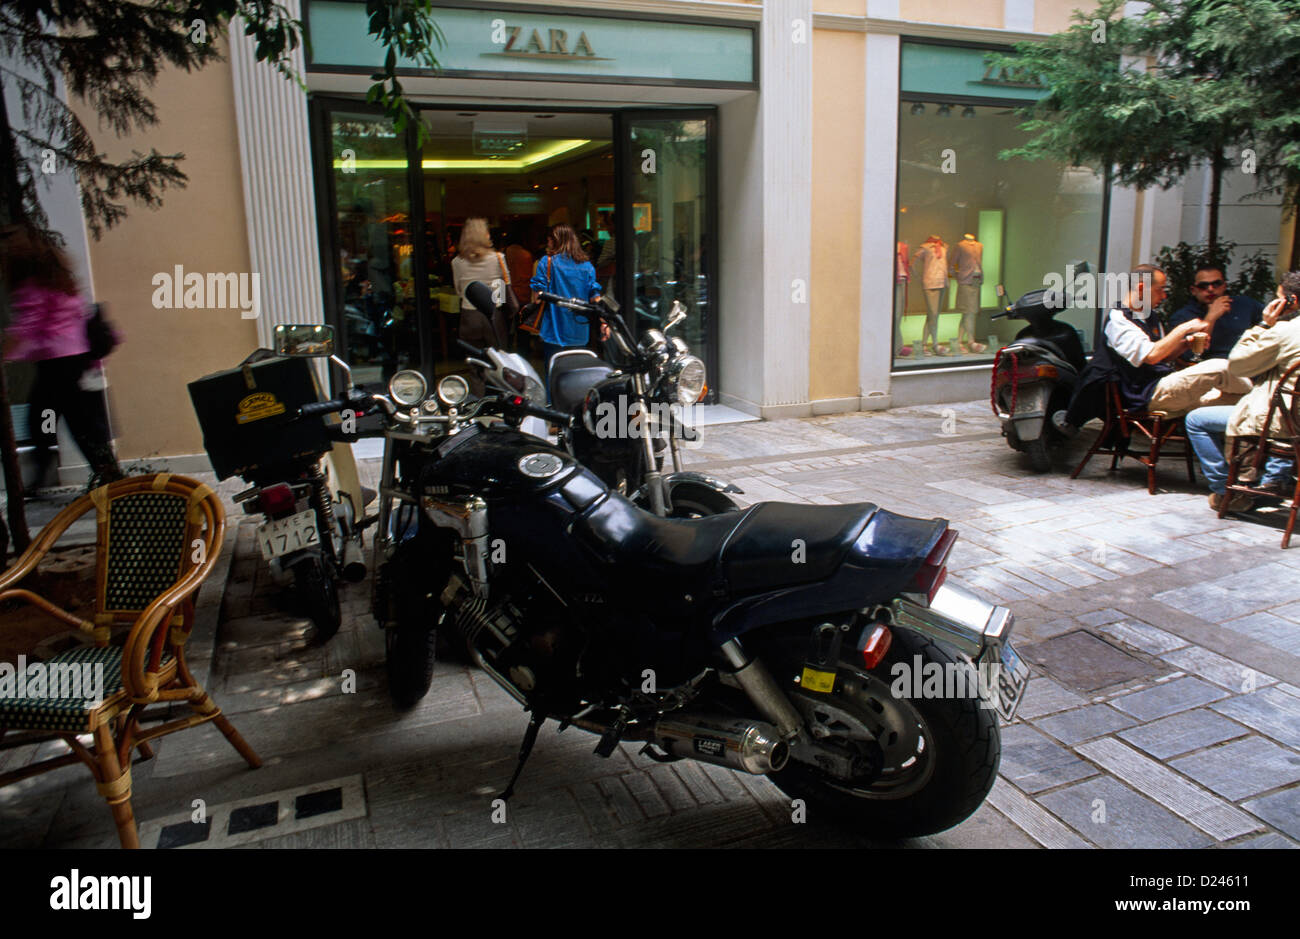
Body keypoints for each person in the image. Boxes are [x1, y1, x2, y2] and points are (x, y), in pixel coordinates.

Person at [1055, 263, 1251, 434]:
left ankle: (1237, 469)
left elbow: (1163, 357)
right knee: (1219, 366)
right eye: (1160, 289)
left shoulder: (1151, 318)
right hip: (1147, 395)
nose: (1164, 296)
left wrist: (1185, 344)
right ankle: (1262, 399)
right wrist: (1185, 328)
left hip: (1163, 387)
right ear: (1141, 289)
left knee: (1236, 401)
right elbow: (1151, 356)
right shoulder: (1119, 320)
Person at [1, 225, 122, 492]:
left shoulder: (31, 284)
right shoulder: (59, 280)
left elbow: (27, 325)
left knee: (59, 419)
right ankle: (104, 472)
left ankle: (107, 475)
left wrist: (6, 353)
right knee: (57, 416)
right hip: (73, 361)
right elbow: (77, 316)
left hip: (58, 364)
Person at [1184, 271, 1300, 513]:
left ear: (1291, 301)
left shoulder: (1286, 331)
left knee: (1196, 420)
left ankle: (1226, 490)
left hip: (1286, 423)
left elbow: (1237, 364)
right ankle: (1270, 478)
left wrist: (1264, 324)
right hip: (1293, 417)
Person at [529, 223, 606, 374]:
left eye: (550, 240)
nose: (548, 244)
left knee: (554, 376)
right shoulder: (587, 266)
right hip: (579, 331)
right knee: (576, 376)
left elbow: (537, 298)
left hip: (553, 331)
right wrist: (604, 322)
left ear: (556, 240)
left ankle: (553, 399)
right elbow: (595, 297)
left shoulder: (547, 262)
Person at [1168, 264, 1264, 361]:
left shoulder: (1245, 304)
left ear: (1224, 286)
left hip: (1246, 364)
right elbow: (1189, 356)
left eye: (1216, 284)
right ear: (1193, 290)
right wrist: (1210, 318)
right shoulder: (1183, 316)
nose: (1210, 289)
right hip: (1208, 368)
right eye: (1203, 286)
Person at [451, 217, 510, 355]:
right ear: (485, 235)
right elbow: (503, 288)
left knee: (475, 361)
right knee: (500, 360)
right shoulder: (499, 258)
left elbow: (459, 291)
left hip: (469, 316)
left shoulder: (457, 261)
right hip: (494, 314)